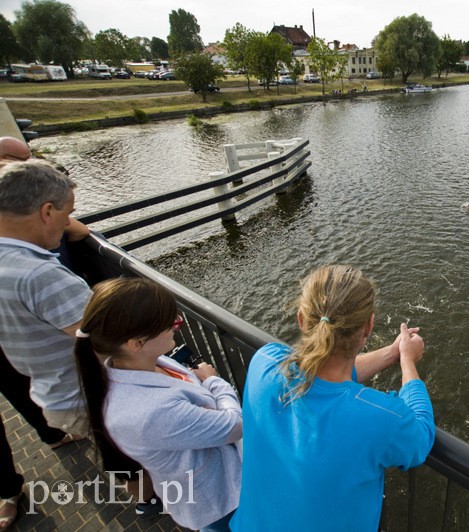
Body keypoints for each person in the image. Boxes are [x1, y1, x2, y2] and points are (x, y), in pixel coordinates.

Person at [232, 265, 435, 531]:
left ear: (302, 319)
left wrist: (393, 352)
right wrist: (408, 361)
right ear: (368, 327)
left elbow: (322, 370)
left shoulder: (265, 362)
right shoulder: (380, 418)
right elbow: (420, 434)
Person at [74, 277, 242, 532]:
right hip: (219, 500)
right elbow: (235, 425)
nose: (177, 323)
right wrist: (214, 382)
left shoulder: (148, 363)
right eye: (169, 321)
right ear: (137, 343)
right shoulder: (149, 412)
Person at [0, 159, 92, 529]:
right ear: (46, 211)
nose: (67, 222)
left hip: (47, 393)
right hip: (82, 395)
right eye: (67, 213)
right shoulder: (41, 275)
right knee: (133, 456)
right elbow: (111, 342)